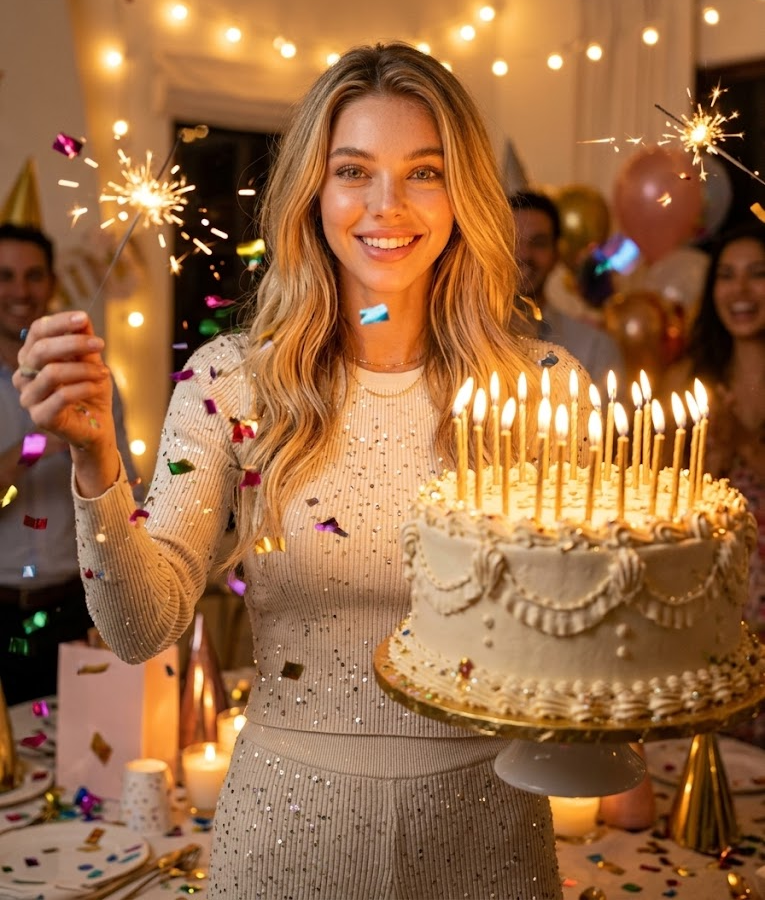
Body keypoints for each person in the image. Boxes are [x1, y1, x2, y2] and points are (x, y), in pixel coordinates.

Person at [13, 43, 590, 898]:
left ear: (462, 193)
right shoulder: (231, 379)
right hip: (288, 828)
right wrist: (96, 459)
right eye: (352, 169)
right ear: (312, 193)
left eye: (423, 172)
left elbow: (582, 624)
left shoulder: (541, 390)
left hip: (488, 825)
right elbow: (140, 627)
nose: (385, 206)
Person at [0, 224, 136, 704]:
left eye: (33, 275)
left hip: (76, 608)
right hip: (1, 612)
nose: (20, 290)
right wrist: (39, 443)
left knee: (82, 755)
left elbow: (125, 496)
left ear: (52, 283)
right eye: (6, 276)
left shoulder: (89, 380)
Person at [660, 218, 765, 639]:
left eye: (758, 275)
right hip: (703, 598)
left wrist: (745, 444)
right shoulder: (686, 380)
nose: (739, 291)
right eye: (725, 276)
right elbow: (654, 490)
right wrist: (710, 463)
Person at [509, 190, 626, 402]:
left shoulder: (595, 348)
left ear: (556, 254)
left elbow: (609, 430)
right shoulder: (463, 341)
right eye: (513, 240)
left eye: (539, 243)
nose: (524, 254)